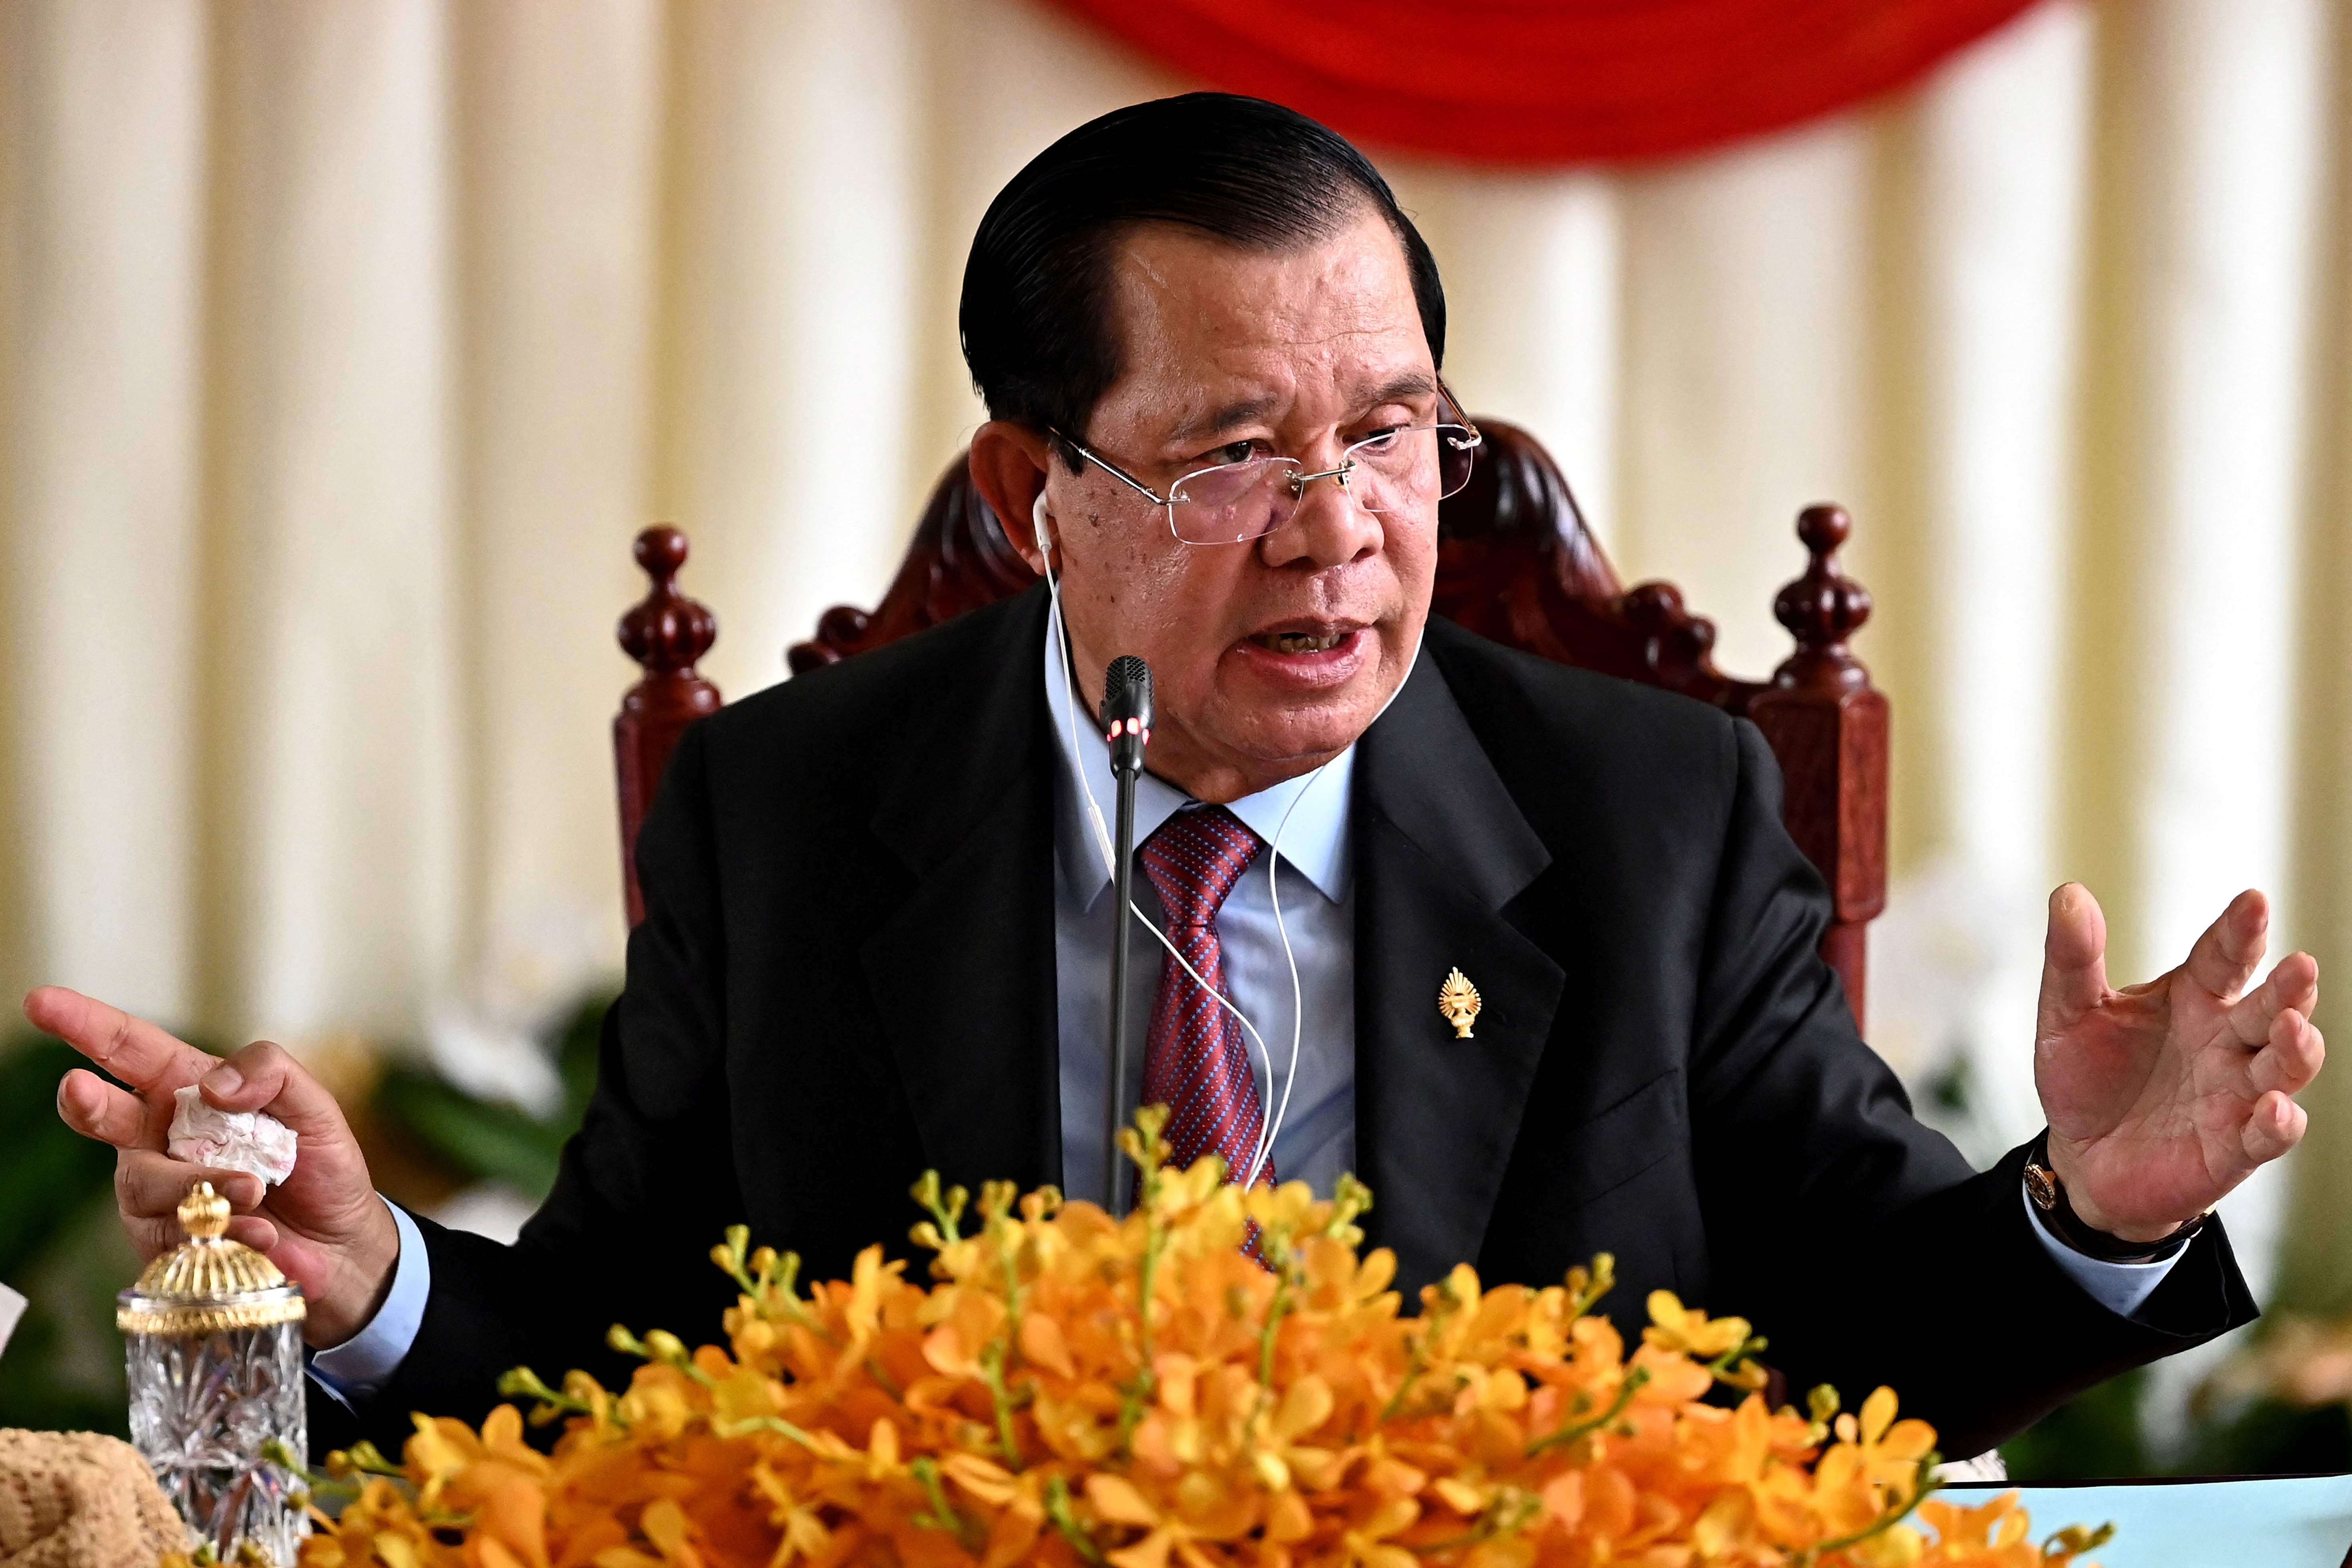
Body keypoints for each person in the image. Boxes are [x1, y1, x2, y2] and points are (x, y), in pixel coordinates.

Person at [32, 94, 2321, 1463]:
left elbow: (1844, 1344)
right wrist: (375, 1288)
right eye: (1238, 449)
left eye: (1394, 429)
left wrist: (2092, 1209)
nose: (1345, 529)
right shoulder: (796, 814)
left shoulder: (1655, 814)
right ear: (1038, 487)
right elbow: (643, 1350)